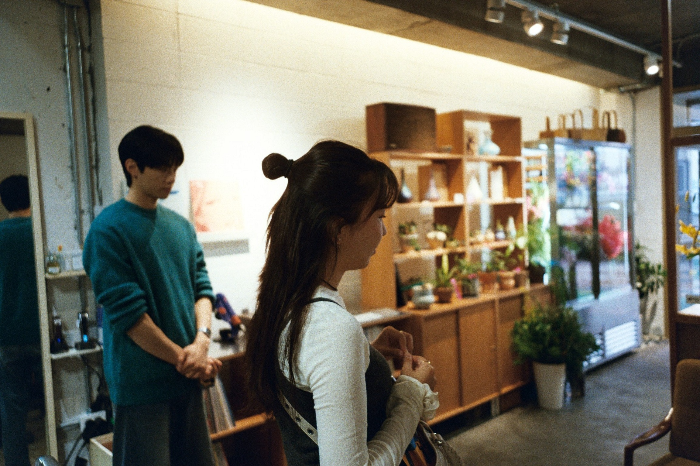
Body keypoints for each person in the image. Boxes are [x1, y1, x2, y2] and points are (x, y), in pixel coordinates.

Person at [245, 140, 439, 466]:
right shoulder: (331, 329)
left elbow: (310, 377)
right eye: (378, 216)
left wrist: (367, 354)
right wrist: (410, 393)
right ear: (337, 229)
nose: (383, 231)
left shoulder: (287, 302)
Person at [83, 125, 222, 466]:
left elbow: (203, 289)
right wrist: (187, 360)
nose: (171, 177)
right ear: (132, 167)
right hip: (142, 385)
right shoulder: (107, 229)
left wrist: (202, 342)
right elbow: (130, 317)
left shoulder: (180, 226)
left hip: (187, 378)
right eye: (162, 168)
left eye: (174, 168)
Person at [0, 174, 42, 466]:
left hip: (6, 335)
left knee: (12, 411)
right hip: (44, 332)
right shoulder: (41, 231)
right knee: (55, 399)